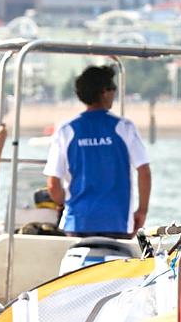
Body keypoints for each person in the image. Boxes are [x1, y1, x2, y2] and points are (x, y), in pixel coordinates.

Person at [44, 64, 151, 238]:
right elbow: (144, 171)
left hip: (76, 222)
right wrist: (142, 210)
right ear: (104, 91)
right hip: (117, 222)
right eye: (113, 88)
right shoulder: (125, 128)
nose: (115, 92)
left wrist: (67, 203)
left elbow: (53, 184)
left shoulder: (66, 130)